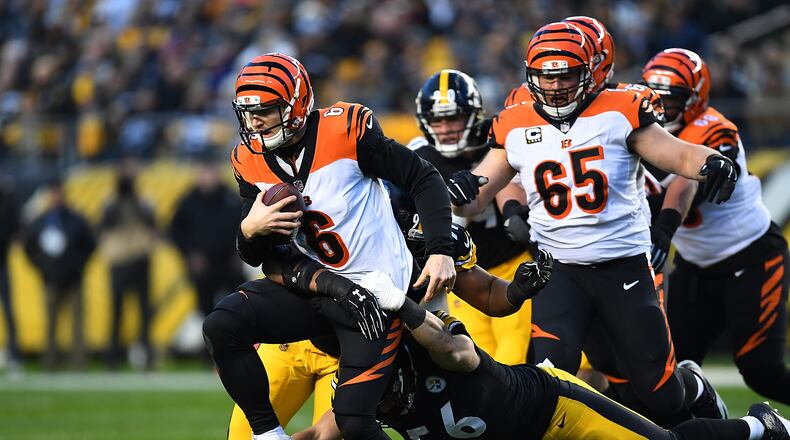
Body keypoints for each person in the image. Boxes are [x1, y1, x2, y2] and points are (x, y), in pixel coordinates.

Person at [448, 22, 738, 426]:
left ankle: (696, 387)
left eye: (565, 74)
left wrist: (708, 161)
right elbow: (480, 191)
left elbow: (675, 154)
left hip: (623, 266)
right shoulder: (514, 121)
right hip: (558, 269)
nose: (554, 86)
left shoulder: (620, 110)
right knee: (553, 380)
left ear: (595, 71)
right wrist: (461, 190)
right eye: (545, 75)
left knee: (660, 394)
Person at [201, 53, 456, 440]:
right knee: (222, 324)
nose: (253, 123)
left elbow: (423, 177)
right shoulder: (248, 160)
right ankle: (268, 435)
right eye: (247, 113)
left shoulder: (345, 131)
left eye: (265, 111)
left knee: (353, 420)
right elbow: (263, 258)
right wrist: (249, 230)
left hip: (376, 295)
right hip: (316, 289)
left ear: (296, 105)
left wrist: (440, 248)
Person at [293, 297, 790, 440]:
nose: (380, 401)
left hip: (557, 409)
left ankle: (759, 427)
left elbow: (458, 351)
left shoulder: (435, 349)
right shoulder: (361, 392)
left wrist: (399, 304)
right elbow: (320, 434)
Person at [642, 48, 790, 405]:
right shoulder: (638, 129)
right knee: (667, 367)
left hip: (752, 259)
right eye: (653, 96)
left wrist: (662, 229)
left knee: (761, 369)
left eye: (670, 99)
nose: (660, 107)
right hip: (695, 266)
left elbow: (687, 183)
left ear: (694, 100)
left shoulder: (715, 128)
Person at [409, 69, 533, 365]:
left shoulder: (499, 140)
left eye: (454, 117)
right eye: (438, 119)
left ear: (474, 114)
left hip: (511, 265)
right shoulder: (416, 154)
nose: (446, 127)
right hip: (464, 276)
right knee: (481, 362)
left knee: (514, 360)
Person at [22, 177, 95, 370]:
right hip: (51, 278)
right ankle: (50, 362)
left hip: (73, 278)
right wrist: (42, 266)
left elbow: (90, 245)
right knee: (51, 323)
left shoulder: (76, 220)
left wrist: (78, 264)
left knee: (77, 324)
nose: (56, 197)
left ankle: (78, 364)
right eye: (53, 193)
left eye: (59, 192)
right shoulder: (41, 222)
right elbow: (28, 247)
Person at [99, 161, 158, 369]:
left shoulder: (141, 204)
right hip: (122, 261)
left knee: (142, 312)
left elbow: (152, 225)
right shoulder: (113, 205)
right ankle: (114, 356)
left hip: (137, 261)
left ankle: (143, 356)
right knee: (119, 312)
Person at [169, 160, 244, 319]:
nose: (209, 177)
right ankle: (209, 342)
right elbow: (176, 232)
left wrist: (240, 252)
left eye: (212, 173)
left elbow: (244, 225)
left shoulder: (230, 196)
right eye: (205, 173)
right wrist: (190, 254)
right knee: (206, 311)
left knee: (241, 305)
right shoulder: (188, 201)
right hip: (203, 266)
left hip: (230, 263)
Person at [0, 175, 21, 372]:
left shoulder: (7, 203)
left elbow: (14, 228)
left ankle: (14, 354)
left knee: (9, 310)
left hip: (2, 263)